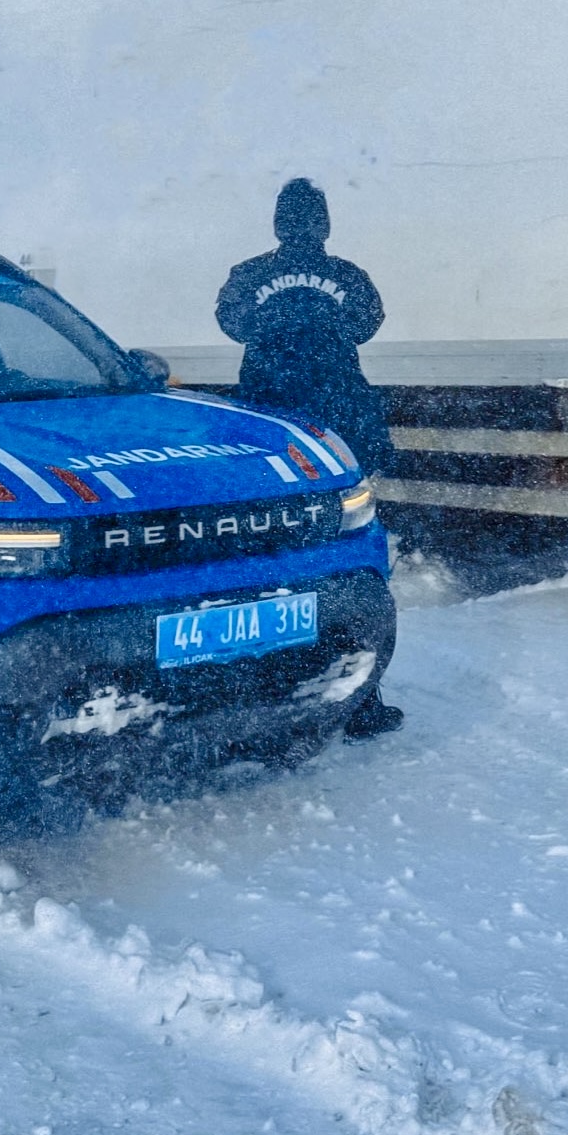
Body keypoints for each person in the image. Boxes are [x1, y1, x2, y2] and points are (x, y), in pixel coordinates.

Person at [218, 177, 403, 738]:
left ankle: (261, 689)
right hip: (336, 427)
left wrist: (280, 336)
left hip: (274, 428)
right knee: (348, 559)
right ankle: (360, 702)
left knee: (271, 561)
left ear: (277, 223)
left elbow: (232, 323)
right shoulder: (348, 275)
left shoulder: (249, 275)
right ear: (324, 224)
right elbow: (368, 324)